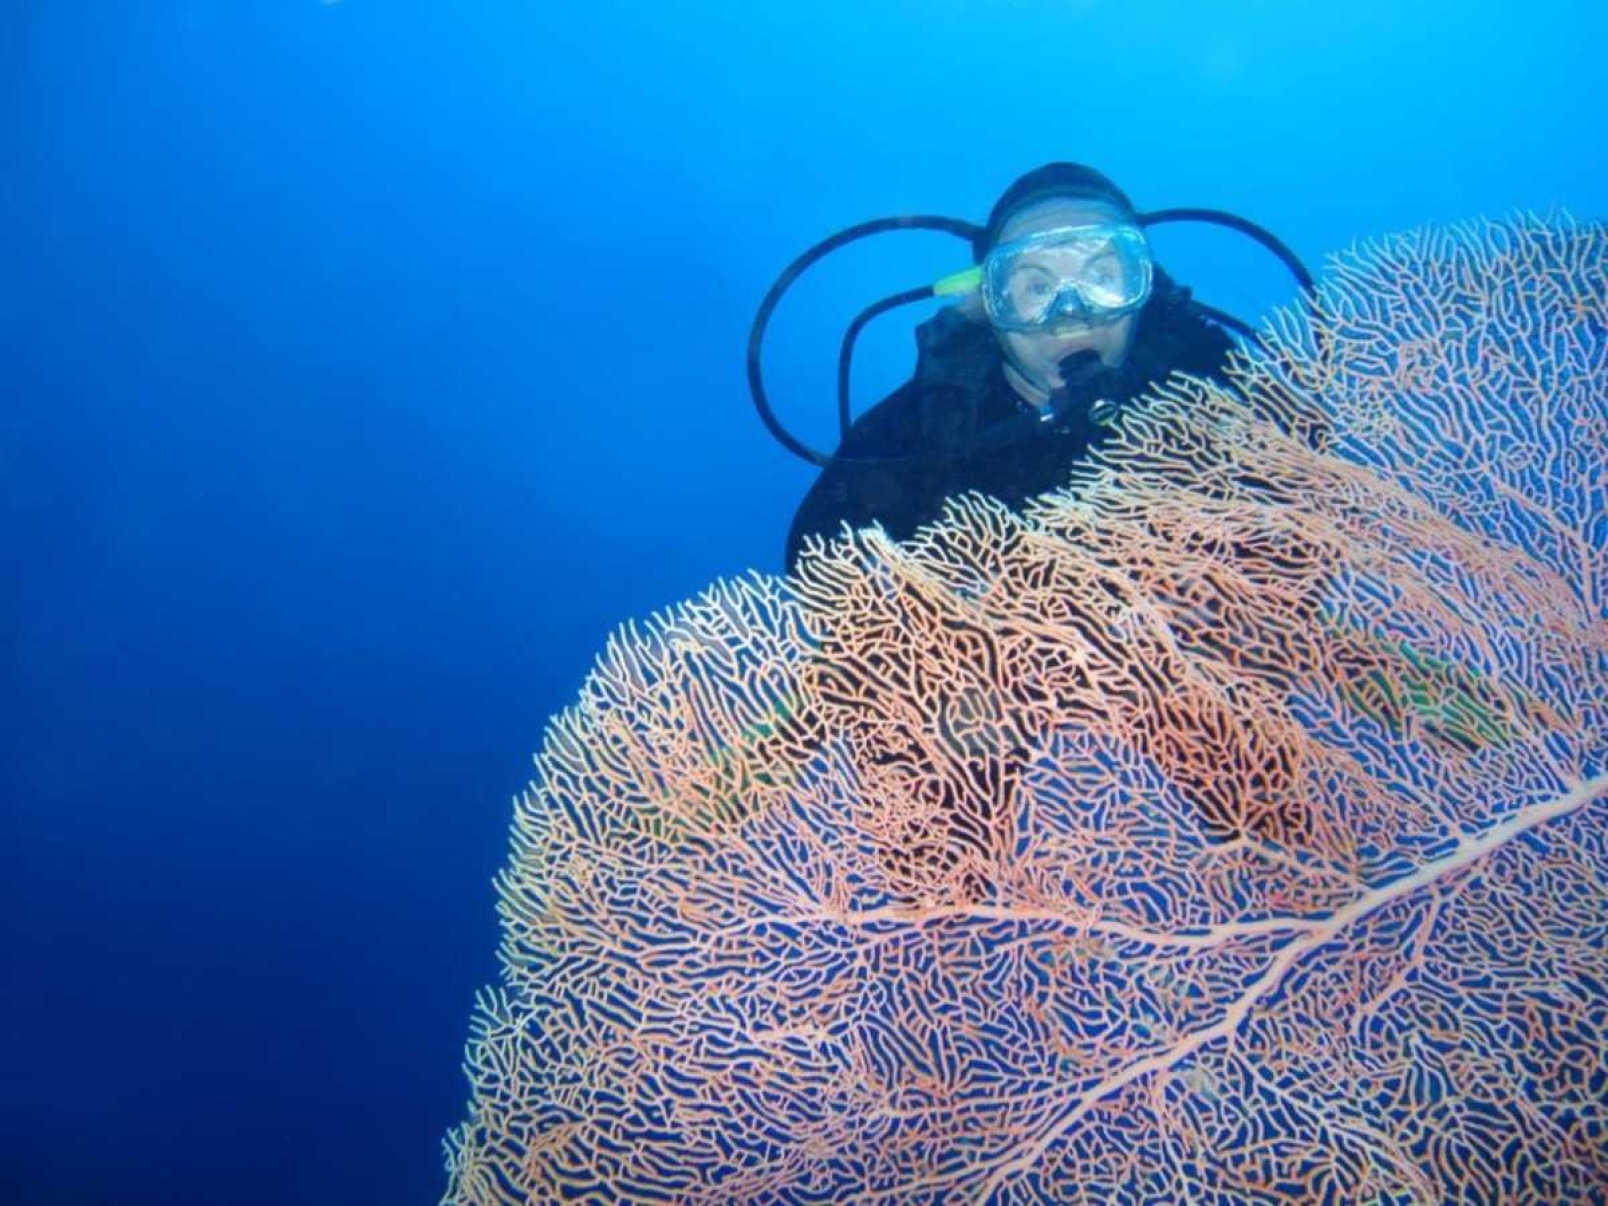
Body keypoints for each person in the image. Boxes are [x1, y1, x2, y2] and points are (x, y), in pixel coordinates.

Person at [751, 163, 1310, 570]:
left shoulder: (1219, 388)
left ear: (1142, 285)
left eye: (1101, 276)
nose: (1071, 313)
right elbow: (817, 567)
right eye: (1034, 286)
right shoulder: (922, 430)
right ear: (989, 305)